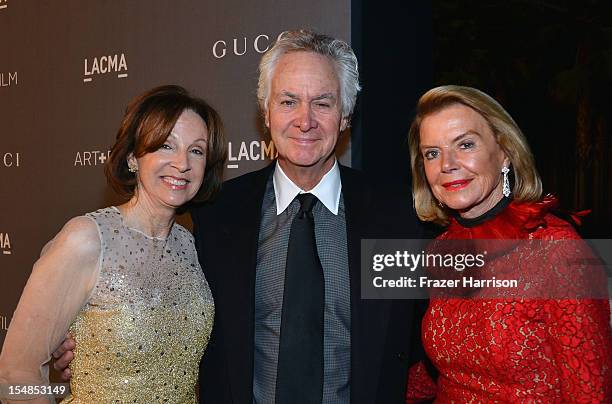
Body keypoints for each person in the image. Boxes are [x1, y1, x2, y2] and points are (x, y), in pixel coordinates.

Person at [191, 30, 426, 403]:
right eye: (288, 101)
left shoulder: (395, 216)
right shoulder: (218, 213)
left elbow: (426, 334)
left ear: (346, 115)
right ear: (265, 113)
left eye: (322, 103)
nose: (305, 121)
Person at [0, 85, 226, 403]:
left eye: (197, 150)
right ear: (134, 156)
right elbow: (14, 376)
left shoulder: (194, 247)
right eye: (165, 145)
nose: (182, 163)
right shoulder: (87, 238)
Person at [406, 85, 612, 402]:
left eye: (465, 144)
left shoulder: (558, 250)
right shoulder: (440, 250)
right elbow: (446, 369)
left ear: (504, 152)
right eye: (432, 153)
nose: (447, 164)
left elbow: (589, 391)